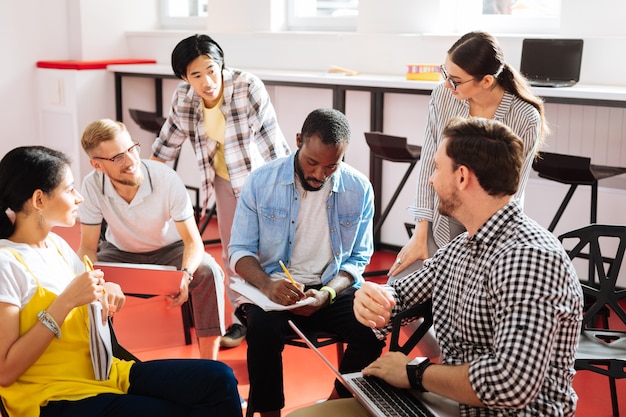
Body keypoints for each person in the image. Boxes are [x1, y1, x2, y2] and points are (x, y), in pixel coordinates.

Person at [287, 117, 583, 417]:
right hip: (449, 404)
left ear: (463, 177)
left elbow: (510, 383)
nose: (430, 179)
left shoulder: (529, 259)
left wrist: (415, 373)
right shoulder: (461, 246)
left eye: (438, 168)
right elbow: (400, 295)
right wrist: (372, 297)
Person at [0, 146, 242, 417]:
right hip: (53, 395)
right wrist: (65, 302)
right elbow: (6, 371)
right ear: (39, 200)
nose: (79, 198)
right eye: (69, 190)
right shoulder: (5, 264)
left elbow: (90, 294)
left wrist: (108, 289)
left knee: (219, 379)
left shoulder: (55, 246)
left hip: (106, 373)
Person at [388, 31, 548, 359]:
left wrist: (470, 253)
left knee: (469, 305)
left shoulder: (524, 117)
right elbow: (429, 164)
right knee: (398, 284)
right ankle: (441, 361)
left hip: (489, 230)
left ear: (487, 80)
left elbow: (509, 193)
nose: (448, 84)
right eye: (444, 73)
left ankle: (459, 368)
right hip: (443, 219)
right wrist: (421, 233)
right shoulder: (444, 96)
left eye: (456, 80)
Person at [229, 108, 385, 417]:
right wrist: (267, 283)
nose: (318, 174)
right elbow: (240, 251)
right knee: (261, 331)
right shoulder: (261, 182)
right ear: (298, 140)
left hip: (331, 289)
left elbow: (358, 258)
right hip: (273, 287)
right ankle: (269, 413)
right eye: (311, 162)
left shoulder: (359, 188)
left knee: (373, 329)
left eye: (331, 166)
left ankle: (334, 404)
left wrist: (327, 293)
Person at [152, 33, 291, 349]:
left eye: (211, 70)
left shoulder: (247, 86)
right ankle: (242, 320)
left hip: (261, 178)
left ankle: (279, 315)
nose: (207, 81)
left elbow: (274, 142)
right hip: (224, 181)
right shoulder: (184, 98)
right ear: (185, 78)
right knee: (235, 252)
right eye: (196, 75)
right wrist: (145, 184)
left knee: (274, 249)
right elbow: (166, 145)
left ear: (221, 65)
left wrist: (288, 189)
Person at [77, 119, 225, 360]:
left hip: (170, 249)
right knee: (83, 280)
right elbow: (87, 247)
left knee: (209, 271)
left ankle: (211, 365)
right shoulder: (92, 185)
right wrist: (88, 279)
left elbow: (193, 241)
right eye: (117, 158)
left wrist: (186, 275)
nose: (131, 161)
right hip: (120, 252)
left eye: (131, 149)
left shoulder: (165, 178)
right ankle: (102, 361)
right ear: (97, 165)